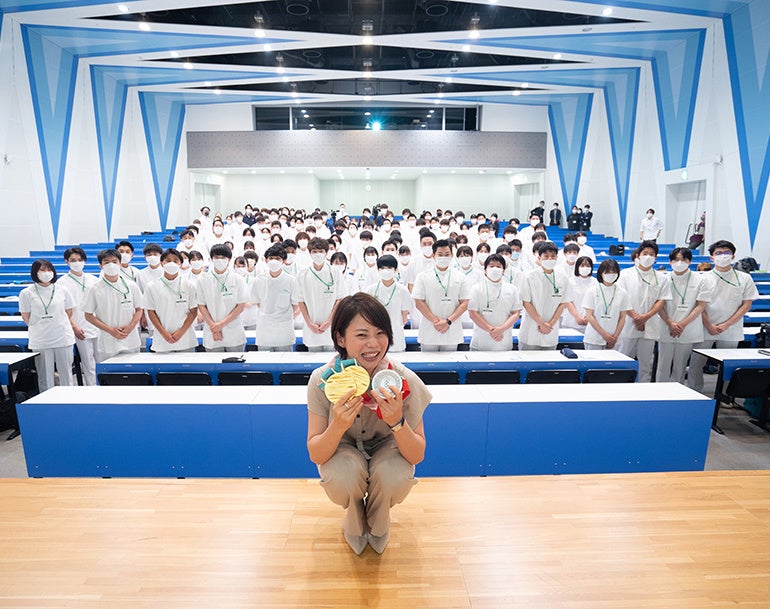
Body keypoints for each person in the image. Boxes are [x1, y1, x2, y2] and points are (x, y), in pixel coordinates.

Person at [306, 293, 432, 554]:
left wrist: (397, 422)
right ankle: (354, 519)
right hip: (344, 451)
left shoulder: (403, 380)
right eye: (362, 335)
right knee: (343, 475)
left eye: (380, 333)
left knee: (394, 474)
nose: (373, 344)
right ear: (341, 338)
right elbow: (316, 453)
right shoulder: (322, 381)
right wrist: (337, 426)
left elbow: (417, 455)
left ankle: (378, 521)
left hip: (388, 449)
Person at [688, 240, 759, 393]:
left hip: (731, 328)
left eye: (726, 253)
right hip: (704, 327)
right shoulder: (702, 278)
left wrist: (727, 324)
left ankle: (725, 396)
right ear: (712, 257)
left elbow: (746, 304)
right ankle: (694, 391)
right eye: (718, 253)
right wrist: (709, 325)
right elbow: (698, 305)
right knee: (697, 362)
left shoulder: (744, 278)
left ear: (733, 256)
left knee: (728, 364)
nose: (723, 256)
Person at [617, 241, 671, 382]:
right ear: (638, 256)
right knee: (623, 358)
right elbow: (622, 298)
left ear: (656, 257)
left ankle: (643, 388)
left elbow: (662, 300)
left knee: (645, 363)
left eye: (652, 254)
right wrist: (636, 317)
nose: (648, 257)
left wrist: (645, 317)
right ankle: (620, 387)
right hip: (629, 323)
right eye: (645, 253)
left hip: (650, 324)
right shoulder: (625, 275)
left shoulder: (661, 277)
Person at [19, 260, 76, 391]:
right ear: (35, 272)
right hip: (41, 338)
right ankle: (46, 399)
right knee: (44, 376)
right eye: (42, 270)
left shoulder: (62, 290)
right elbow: (26, 316)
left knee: (66, 374)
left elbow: (69, 311)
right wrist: (41, 326)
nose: (46, 273)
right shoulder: (26, 293)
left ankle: (69, 399)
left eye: (49, 270)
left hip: (62, 336)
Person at [657, 248, 710, 384]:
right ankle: (659, 391)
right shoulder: (663, 279)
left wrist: (682, 324)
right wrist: (670, 323)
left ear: (689, 261)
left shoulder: (700, 279)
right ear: (670, 262)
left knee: (680, 366)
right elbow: (658, 305)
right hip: (666, 327)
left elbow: (701, 306)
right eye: (676, 259)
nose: (679, 263)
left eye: (683, 259)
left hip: (688, 328)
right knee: (663, 364)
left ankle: (678, 391)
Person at [82, 248, 144, 363]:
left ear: (120, 264)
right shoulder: (94, 288)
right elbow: (88, 315)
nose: (111, 265)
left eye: (114, 262)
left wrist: (130, 327)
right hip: (108, 341)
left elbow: (139, 309)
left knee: (134, 371)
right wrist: (110, 330)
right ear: (100, 266)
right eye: (106, 262)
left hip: (130, 338)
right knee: (109, 372)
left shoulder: (131, 285)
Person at [412, 239, 470, 351]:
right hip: (429, 329)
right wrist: (436, 321)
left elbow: (464, 303)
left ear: (452, 255)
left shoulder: (460, 277)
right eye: (440, 254)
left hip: (451, 328)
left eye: (447, 254)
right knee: (428, 360)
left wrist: (448, 321)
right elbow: (418, 302)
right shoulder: (423, 276)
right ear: (433, 256)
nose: (443, 257)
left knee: (450, 360)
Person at [518, 242, 572, 350]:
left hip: (551, 330)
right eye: (546, 256)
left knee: (549, 359)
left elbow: (563, 303)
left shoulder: (563, 278)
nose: (549, 259)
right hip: (531, 330)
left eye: (553, 256)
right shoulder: (529, 276)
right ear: (539, 258)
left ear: (557, 257)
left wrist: (550, 324)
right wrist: (541, 323)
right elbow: (526, 302)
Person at [143, 248, 199, 353]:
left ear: (180, 264)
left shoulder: (189, 285)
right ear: (162, 263)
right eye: (168, 261)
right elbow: (151, 312)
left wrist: (180, 332)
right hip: (162, 339)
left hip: (185, 338)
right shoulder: (152, 286)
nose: (171, 263)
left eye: (175, 261)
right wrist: (164, 333)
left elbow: (193, 311)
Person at [196, 244, 248, 353]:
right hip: (212, 332)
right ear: (211, 259)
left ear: (229, 260)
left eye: (223, 257)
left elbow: (240, 306)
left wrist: (220, 325)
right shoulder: (203, 280)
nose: (220, 260)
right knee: (213, 362)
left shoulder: (238, 279)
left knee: (235, 363)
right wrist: (214, 328)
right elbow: (201, 306)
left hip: (234, 332)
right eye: (217, 257)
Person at [295, 237, 344, 352]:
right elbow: (301, 301)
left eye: (321, 251)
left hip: (331, 327)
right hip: (311, 328)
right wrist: (309, 324)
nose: (318, 254)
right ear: (310, 253)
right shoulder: (303, 274)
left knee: (332, 359)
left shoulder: (335, 272)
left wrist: (329, 322)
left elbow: (339, 299)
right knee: (313, 360)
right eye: (314, 251)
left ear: (326, 252)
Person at [59, 247, 99, 385]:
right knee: (88, 363)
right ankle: (92, 390)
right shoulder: (61, 283)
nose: (77, 263)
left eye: (80, 260)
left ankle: (104, 388)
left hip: (97, 325)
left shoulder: (93, 279)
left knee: (101, 362)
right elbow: (63, 309)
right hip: (79, 328)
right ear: (66, 261)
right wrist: (74, 326)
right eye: (73, 260)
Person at [467, 254, 521, 351]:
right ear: (485, 270)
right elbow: (472, 313)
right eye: (491, 266)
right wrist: (491, 330)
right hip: (480, 342)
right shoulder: (476, 288)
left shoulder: (512, 289)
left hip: (504, 341)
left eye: (498, 266)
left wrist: (501, 329)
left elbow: (516, 313)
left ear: (503, 270)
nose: (495, 269)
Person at [253, 244, 299, 352]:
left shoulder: (291, 281)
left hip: (284, 329)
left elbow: (295, 305)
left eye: (277, 258)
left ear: (283, 261)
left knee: (285, 360)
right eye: (271, 258)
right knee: (264, 360)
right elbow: (257, 302)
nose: (274, 261)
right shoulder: (258, 280)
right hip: (264, 329)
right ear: (266, 260)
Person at [365, 255, 413, 352]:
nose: (386, 271)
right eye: (383, 268)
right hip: (376, 333)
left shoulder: (402, 290)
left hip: (396, 334)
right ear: (378, 270)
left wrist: (399, 323)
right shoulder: (371, 290)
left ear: (395, 270)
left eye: (389, 268)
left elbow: (405, 314)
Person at [582, 259, 630, 350]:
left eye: (614, 272)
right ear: (601, 273)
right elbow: (589, 316)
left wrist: (614, 337)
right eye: (608, 272)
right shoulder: (592, 291)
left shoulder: (622, 293)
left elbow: (622, 317)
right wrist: (605, 335)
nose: (611, 275)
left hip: (614, 339)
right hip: (594, 338)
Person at [562, 256, 593, 331]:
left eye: (588, 266)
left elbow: (595, 302)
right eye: (582, 265)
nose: (585, 268)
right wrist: (577, 317)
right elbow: (568, 301)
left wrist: (588, 317)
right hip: (570, 320)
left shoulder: (595, 282)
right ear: (577, 267)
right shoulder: (570, 281)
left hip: (589, 321)